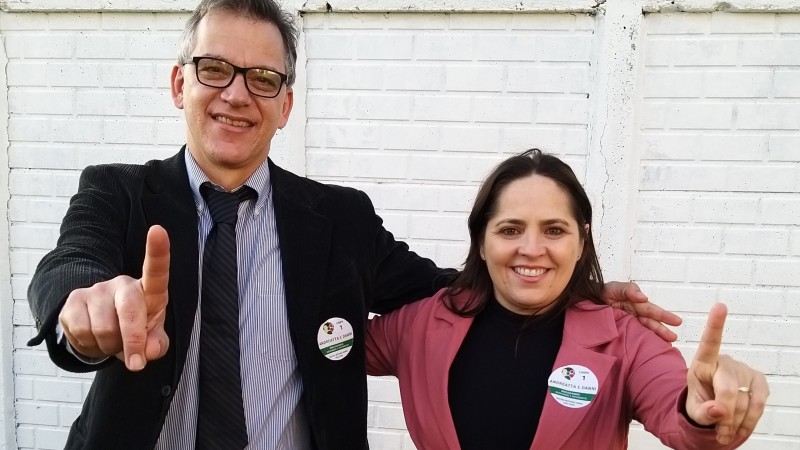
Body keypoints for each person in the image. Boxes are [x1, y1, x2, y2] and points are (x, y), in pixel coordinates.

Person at [24, 1, 681, 449]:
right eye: (215, 70)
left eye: (262, 79)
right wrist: (86, 314)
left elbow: (446, 293)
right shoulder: (117, 191)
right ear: (179, 84)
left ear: (286, 104)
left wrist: (569, 293)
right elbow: (71, 267)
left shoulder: (338, 218)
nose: (235, 94)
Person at [365, 149, 769, 450]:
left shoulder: (624, 339)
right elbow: (325, 343)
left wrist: (699, 410)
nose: (531, 248)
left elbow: (678, 415)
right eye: (509, 230)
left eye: (554, 230)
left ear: (581, 243)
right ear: (482, 243)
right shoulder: (419, 325)